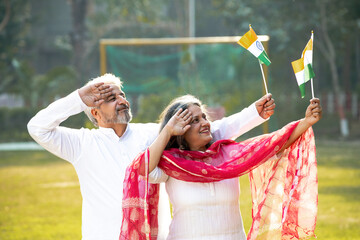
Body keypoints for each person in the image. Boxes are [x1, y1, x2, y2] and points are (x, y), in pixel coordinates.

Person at [27, 73, 276, 240]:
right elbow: (38, 128)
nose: (122, 100)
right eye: (112, 98)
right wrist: (78, 98)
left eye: (122, 94)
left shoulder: (152, 134)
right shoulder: (82, 143)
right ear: (94, 110)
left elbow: (211, 130)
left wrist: (253, 113)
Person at [121, 95, 322, 240]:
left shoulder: (228, 156)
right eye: (194, 121)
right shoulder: (170, 165)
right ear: (179, 132)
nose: (204, 123)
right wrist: (167, 131)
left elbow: (274, 144)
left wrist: (307, 121)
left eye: (203, 117)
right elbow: (142, 170)